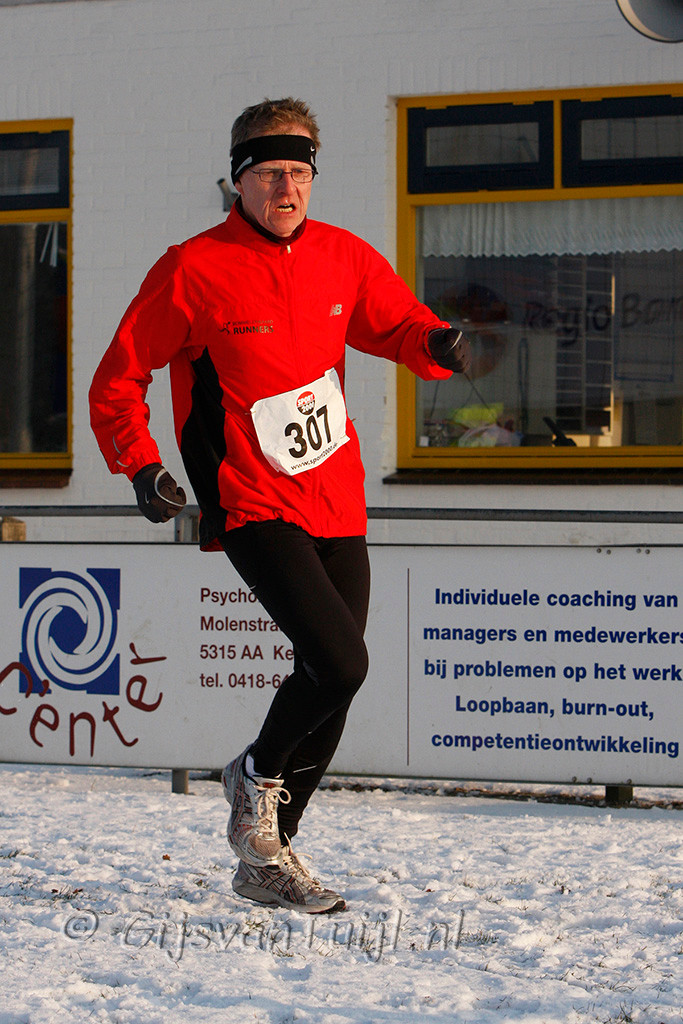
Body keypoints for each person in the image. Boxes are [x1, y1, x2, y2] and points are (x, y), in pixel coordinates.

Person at [89, 97, 471, 914]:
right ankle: (254, 775)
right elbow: (119, 376)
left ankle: (266, 857)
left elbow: (398, 325)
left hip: (335, 497)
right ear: (238, 181)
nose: (286, 189)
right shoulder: (191, 268)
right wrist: (140, 465)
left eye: (299, 173)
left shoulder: (342, 255)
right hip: (249, 498)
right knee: (341, 662)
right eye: (269, 175)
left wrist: (434, 343)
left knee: (331, 680)